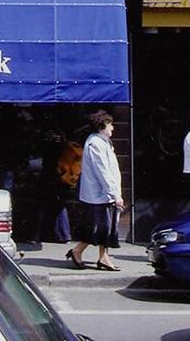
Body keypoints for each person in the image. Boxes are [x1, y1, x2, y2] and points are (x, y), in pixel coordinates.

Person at [66, 110, 124, 271]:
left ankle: (103, 257)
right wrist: (114, 193)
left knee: (105, 228)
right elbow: (102, 171)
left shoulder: (103, 142)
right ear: (102, 126)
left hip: (104, 193)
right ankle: (77, 251)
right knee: (97, 228)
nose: (112, 127)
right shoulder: (96, 144)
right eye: (110, 124)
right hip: (98, 195)